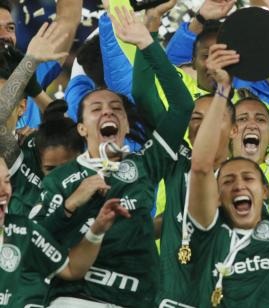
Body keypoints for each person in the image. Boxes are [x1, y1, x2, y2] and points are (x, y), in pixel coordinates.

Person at [34, 5, 195, 306]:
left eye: (116, 108)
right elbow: (32, 242)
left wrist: (147, 41)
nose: (108, 110)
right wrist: (70, 205)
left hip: (140, 299)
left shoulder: (146, 163)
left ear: (124, 123)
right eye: (96, 109)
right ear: (81, 128)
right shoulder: (60, 179)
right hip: (77, 299)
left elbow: (182, 108)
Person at [111, 7, 236, 306]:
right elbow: (144, 93)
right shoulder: (176, 154)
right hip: (167, 290)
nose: (200, 125)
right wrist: (148, 34)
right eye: (195, 119)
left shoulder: (245, 173)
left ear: (235, 128)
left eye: (211, 119)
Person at [186, 41, 269, 306]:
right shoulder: (206, 229)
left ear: (265, 190)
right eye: (228, 181)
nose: (239, 186)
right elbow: (200, 167)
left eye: (249, 179)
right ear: (216, 195)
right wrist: (222, 90)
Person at [0, 155, 131, 307]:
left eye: (7, 181)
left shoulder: (21, 230)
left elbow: (72, 269)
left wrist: (97, 230)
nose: (4, 190)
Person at [0, 23, 82, 219]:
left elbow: (71, 136)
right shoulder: (11, 152)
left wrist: (35, 90)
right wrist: (30, 62)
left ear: (22, 107)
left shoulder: (32, 145)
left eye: (4, 96)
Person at [0, 0, 83, 129]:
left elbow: (68, 18)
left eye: (10, 28)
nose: (5, 36)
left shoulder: (32, 73)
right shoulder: (29, 66)